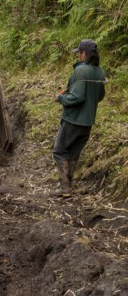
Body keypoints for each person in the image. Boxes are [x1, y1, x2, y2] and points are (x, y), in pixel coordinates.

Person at [53, 39, 106, 197]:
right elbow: (100, 95)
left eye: (79, 54)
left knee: (59, 151)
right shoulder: (100, 71)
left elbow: (76, 97)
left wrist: (61, 98)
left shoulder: (80, 71)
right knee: (73, 153)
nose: (78, 57)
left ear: (84, 54)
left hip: (73, 120)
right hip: (88, 121)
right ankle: (69, 185)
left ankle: (64, 187)